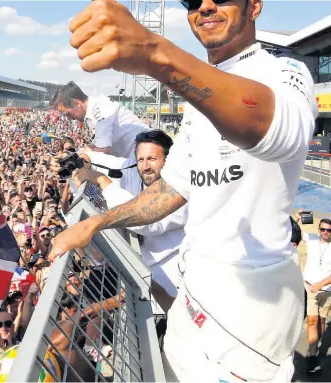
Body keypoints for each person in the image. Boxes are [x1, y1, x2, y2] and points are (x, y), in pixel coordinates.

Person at [51, 0, 318, 381]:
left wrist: (155, 53)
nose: (205, 5)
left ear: (255, 6)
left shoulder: (285, 71)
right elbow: (169, 190)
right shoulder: (196, 97)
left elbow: (275, 132)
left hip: (253, 299)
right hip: (194, 285)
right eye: (193, 0)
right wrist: (97, 224)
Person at [71, 130, 183, 313]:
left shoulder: (180, 190)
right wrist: (80, 158)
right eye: (141, 159)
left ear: (168, 161)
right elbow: (108, 162)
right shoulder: (135, 172)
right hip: (140, 294)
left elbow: (146, 220)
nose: (145, 166)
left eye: (152, 159)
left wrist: (101, 180)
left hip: (170, 300)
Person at [50, 82, 148, 159]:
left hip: (144, 156)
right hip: (137, 156)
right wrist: (73, 153)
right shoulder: (94, 109)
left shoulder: (99, 108)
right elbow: (94, 146)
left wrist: (73, 158)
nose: (69, 118)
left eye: (68, 114)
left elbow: (103, 149)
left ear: (77, 103)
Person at [298, 217, 331, 373]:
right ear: (318, 229)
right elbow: (294, 232)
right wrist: (298, 217)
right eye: (323, 229)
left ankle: (315, 346)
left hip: (327, 291)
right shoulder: (311, 239)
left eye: (329, 230)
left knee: (321, 321)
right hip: (311, 288)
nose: (325, 232)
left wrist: (321, 284)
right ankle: (312, 355)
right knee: (312, 320)